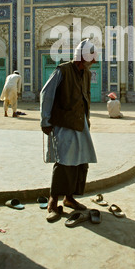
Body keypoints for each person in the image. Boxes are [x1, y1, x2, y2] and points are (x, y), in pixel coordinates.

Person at [40, 39, 98, 222]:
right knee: (64, 162)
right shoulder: (62, 71)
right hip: (64, 124)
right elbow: (46, 95)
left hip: (81, 124)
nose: (94, 62)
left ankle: (70, 198)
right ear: (83, 57)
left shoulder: (87, 74)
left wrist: (87, 119)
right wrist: (45, 121)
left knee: (81, 162)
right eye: (92, 58)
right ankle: (53, 200)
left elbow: (85, 97)